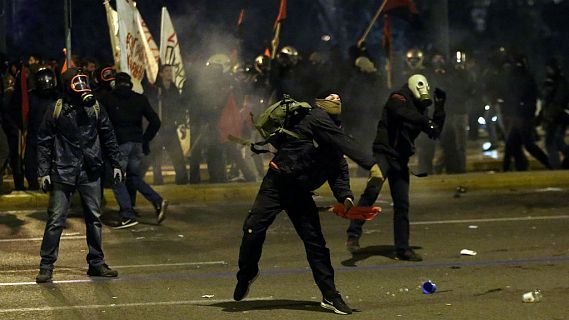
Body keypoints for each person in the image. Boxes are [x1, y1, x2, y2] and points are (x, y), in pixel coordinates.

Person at [233, 93, 382, 315]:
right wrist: (371, 164)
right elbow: (345, 143)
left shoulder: (331, 134)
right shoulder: (315, 117)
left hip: (300, 191)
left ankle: (330, 296)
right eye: (332, 104)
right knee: (252, 230)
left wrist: (346, 197)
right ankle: (247, 274)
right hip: (277, 183)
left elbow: (338, 170)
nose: (335, 107)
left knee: (315, 244)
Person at [35, 67, 124, 283]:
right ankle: (46, 265)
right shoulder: (56, 108)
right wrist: (43, 172)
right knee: (56, 220)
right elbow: (44, 141)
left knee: (94, 219)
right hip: (63, 171)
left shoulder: (94, 107)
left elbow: (108, 135)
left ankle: (96, 263)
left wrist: (116, 163)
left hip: (90, 170)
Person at [346, 74, 446, 262]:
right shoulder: (398, 97)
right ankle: (353, 234)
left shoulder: (420, 108)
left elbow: (434, 131)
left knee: (402, 204)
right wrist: (426, 121)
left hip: (400, 159)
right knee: (372, 190)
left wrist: (440, 108)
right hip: (384, 153)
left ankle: (403, 248)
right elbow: (402, 112)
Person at [102, 72, 167, 229]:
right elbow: (156, 121)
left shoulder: (108, 99)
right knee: (132, 177)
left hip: (120, 144)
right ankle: (157, 200)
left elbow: (102, 122)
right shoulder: (139, 99)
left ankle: (127, 214)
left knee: (118, 179)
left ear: (116, 83)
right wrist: (145, 138)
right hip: (137, 144)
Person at [25, 67, 59, 190]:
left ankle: (37, 184)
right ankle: (38, 184)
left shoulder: (55, 96)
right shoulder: (56, 96)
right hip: (43, 134)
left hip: (43, 134)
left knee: (34, 160)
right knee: (35, 161)